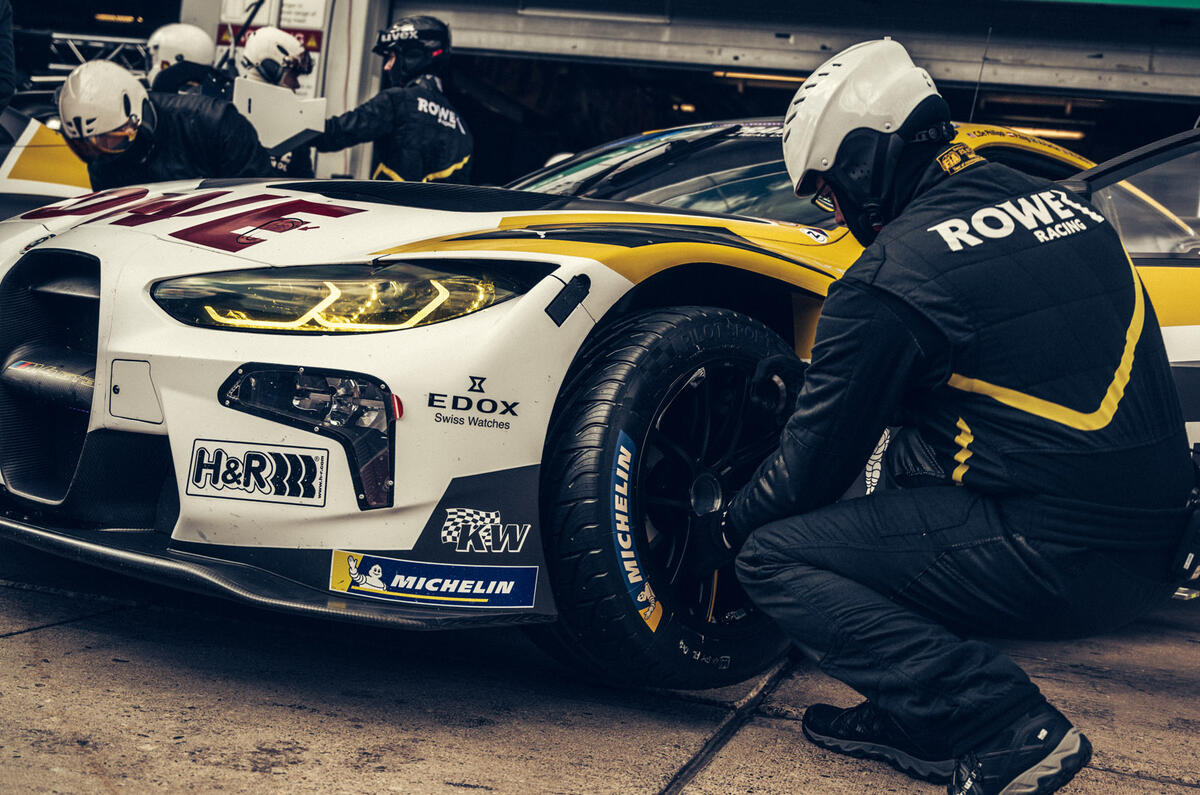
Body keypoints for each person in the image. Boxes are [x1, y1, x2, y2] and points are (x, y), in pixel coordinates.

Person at [697, 38, 1192, 795]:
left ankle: (1000, 723)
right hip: (1163, 546)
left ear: (863, 163)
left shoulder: (892, 276)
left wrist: (726, 524)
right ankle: (918, 715)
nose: (835, 211)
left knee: (777, 555)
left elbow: (808, 474)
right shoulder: (1070, 212)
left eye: (829, 192)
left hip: (1062, 558)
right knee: (913, 451)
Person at [58, 60, 273, 190]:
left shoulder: (216, 123)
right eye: (84, 148)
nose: (99, 155)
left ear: (137, 118)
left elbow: (260, 200)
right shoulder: (101, 160)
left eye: (110, 141)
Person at [313, 15, 472, 183]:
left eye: (391, 57)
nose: (387, 66)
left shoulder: (398, 100)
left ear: (412, 56)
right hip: (435, 210)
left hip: (390, 206)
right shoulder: (462, 126)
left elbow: (333, 134)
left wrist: (295, 127)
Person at [237, 25, 315, 177]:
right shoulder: (227, 115)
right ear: (271, 68)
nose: (297, 84)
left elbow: (304, 185)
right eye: (293, 75)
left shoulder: (294, 125)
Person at [146, 22, 226, 97]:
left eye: (155, 58)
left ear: (179, 58)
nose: (154, 63)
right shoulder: (213, 93)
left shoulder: (168, 99)